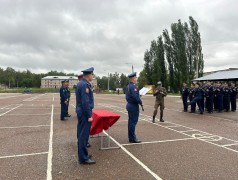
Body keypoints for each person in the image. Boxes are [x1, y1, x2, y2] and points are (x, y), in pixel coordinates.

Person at [76, 67, 96, 165]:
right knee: (84, 135)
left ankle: (83, 155)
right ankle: (83, 158)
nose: (92, 76)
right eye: (92, 74)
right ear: (89, 75)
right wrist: (89, 115)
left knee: (81, 134)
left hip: (81, 111)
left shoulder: (82, 83)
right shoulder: (84, 85)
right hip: (84, 113)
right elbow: (85, 102)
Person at [125, 72, 143, 143]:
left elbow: (131, 95)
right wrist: (141, 102)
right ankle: (133, 138)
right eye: (136, 78)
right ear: (133, 79)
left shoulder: (128, 86)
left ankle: (131, 137)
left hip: (129, 104)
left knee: (130, 122)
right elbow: (135, 97)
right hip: (133, 106)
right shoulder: (134, 87)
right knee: (133, 122)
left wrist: (138, 96)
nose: (136, 79)